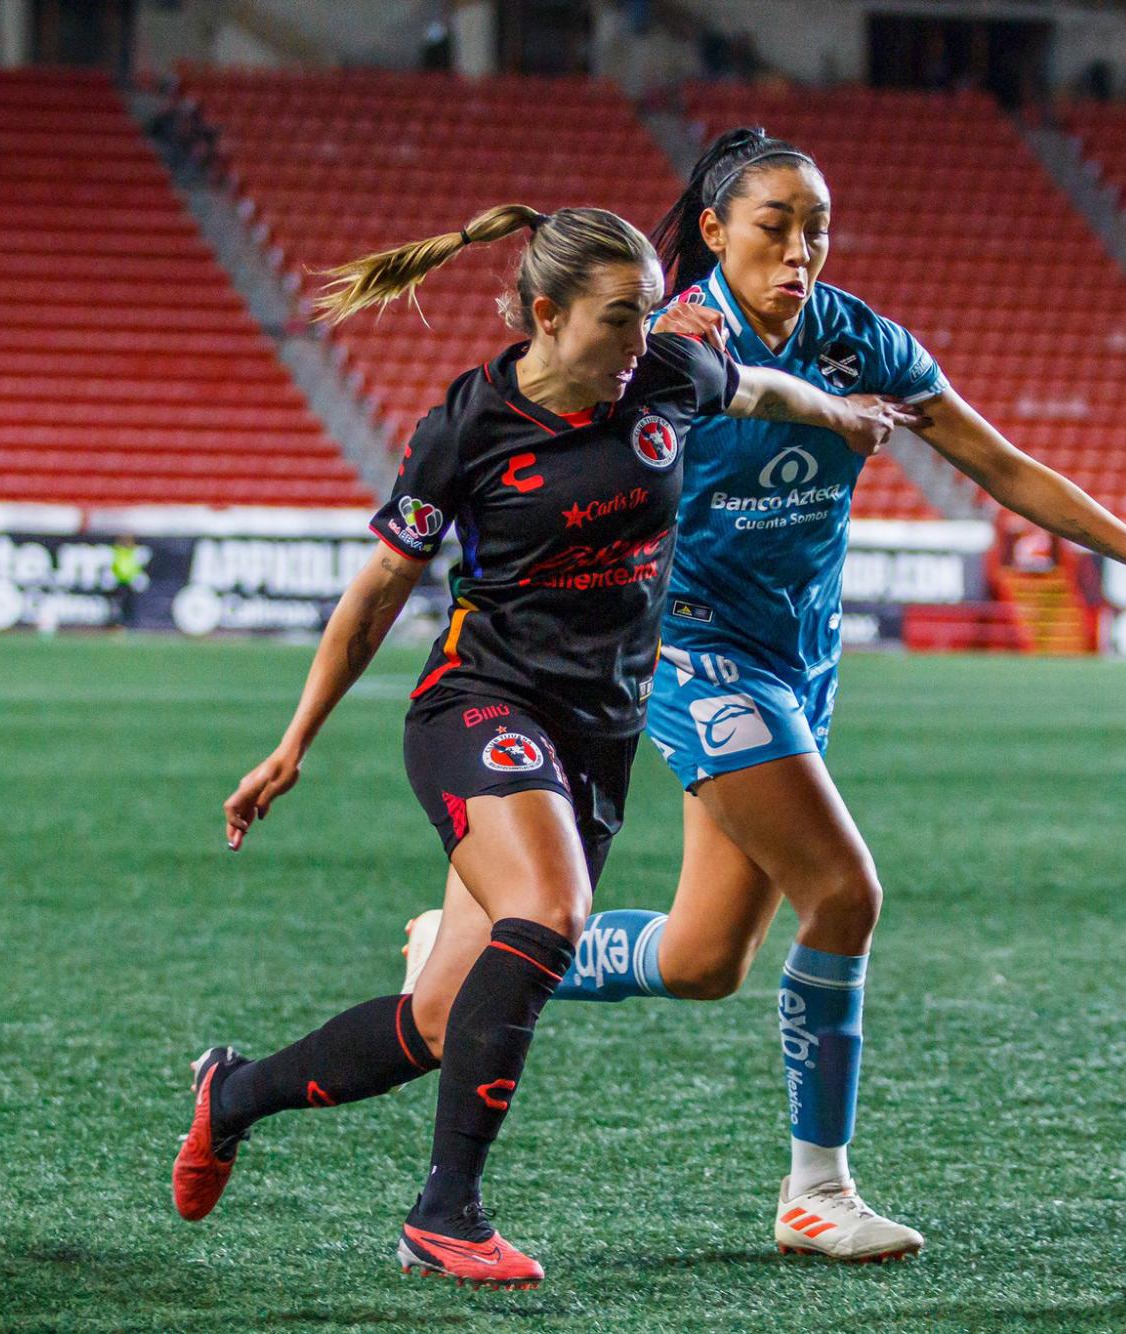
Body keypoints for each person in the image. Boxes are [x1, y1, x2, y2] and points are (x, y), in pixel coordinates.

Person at [399, 127, 1126, 1262]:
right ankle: (817, 1189)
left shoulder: (857, 339)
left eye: (817, 226)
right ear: (713, 230)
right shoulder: (661, 345)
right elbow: (537, 427)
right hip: (693, 655)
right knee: (845, 891)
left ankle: (454, 954)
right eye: (775, 224)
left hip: (798, 666)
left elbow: (1000, 464)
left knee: (703, 956)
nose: (801, 248)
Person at [171, 203, 910, 1289]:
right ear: (543, 313)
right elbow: (379, 590)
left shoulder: (667, 373)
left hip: (594, 736)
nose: (637, 343)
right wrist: (291, 747)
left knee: (433, 1018)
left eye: (649, 316)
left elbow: (753, 388)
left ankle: (231, 1092)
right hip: (478, 705)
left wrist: (839, 415)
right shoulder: (466, 426)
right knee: (551, 910)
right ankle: (443, 1211)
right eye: (617, 320)